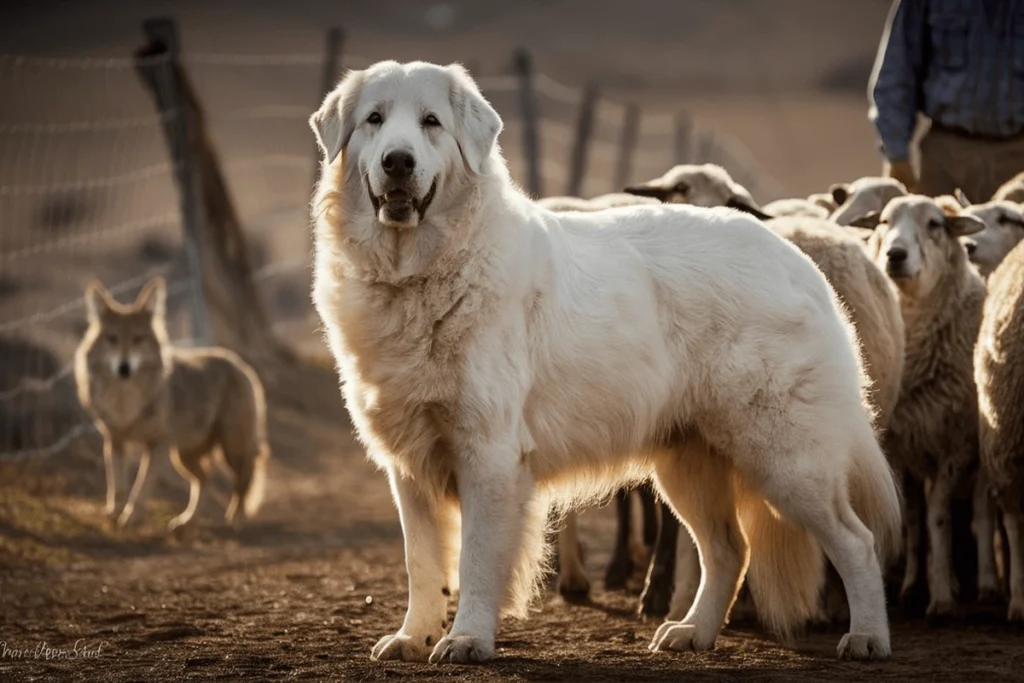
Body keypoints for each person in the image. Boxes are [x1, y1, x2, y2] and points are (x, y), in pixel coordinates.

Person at [868, 0, 1024, 202]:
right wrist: (896, 155)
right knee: (931, 228)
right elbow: (898, 69)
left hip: (1017, 156)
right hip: (946, 158)